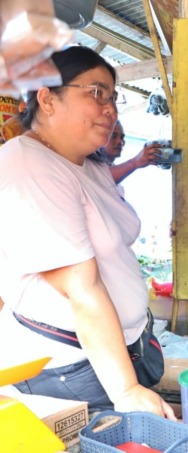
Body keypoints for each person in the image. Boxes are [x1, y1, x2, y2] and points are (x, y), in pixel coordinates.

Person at [0, 46, 176, 419]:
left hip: (121, 355)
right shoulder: (28, 164)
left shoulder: (89, 164)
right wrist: (126, 390)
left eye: (112, 97)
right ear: (47, 98)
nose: (110, 108)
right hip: (71, 370)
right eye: (96, 93)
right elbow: (82, 288)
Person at [94, 120, 161, 184]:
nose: (120, 141)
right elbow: (103, 179)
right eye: (113, 136)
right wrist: (135, 162)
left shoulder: (112, 167)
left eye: (122, 137)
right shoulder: (87, 164)